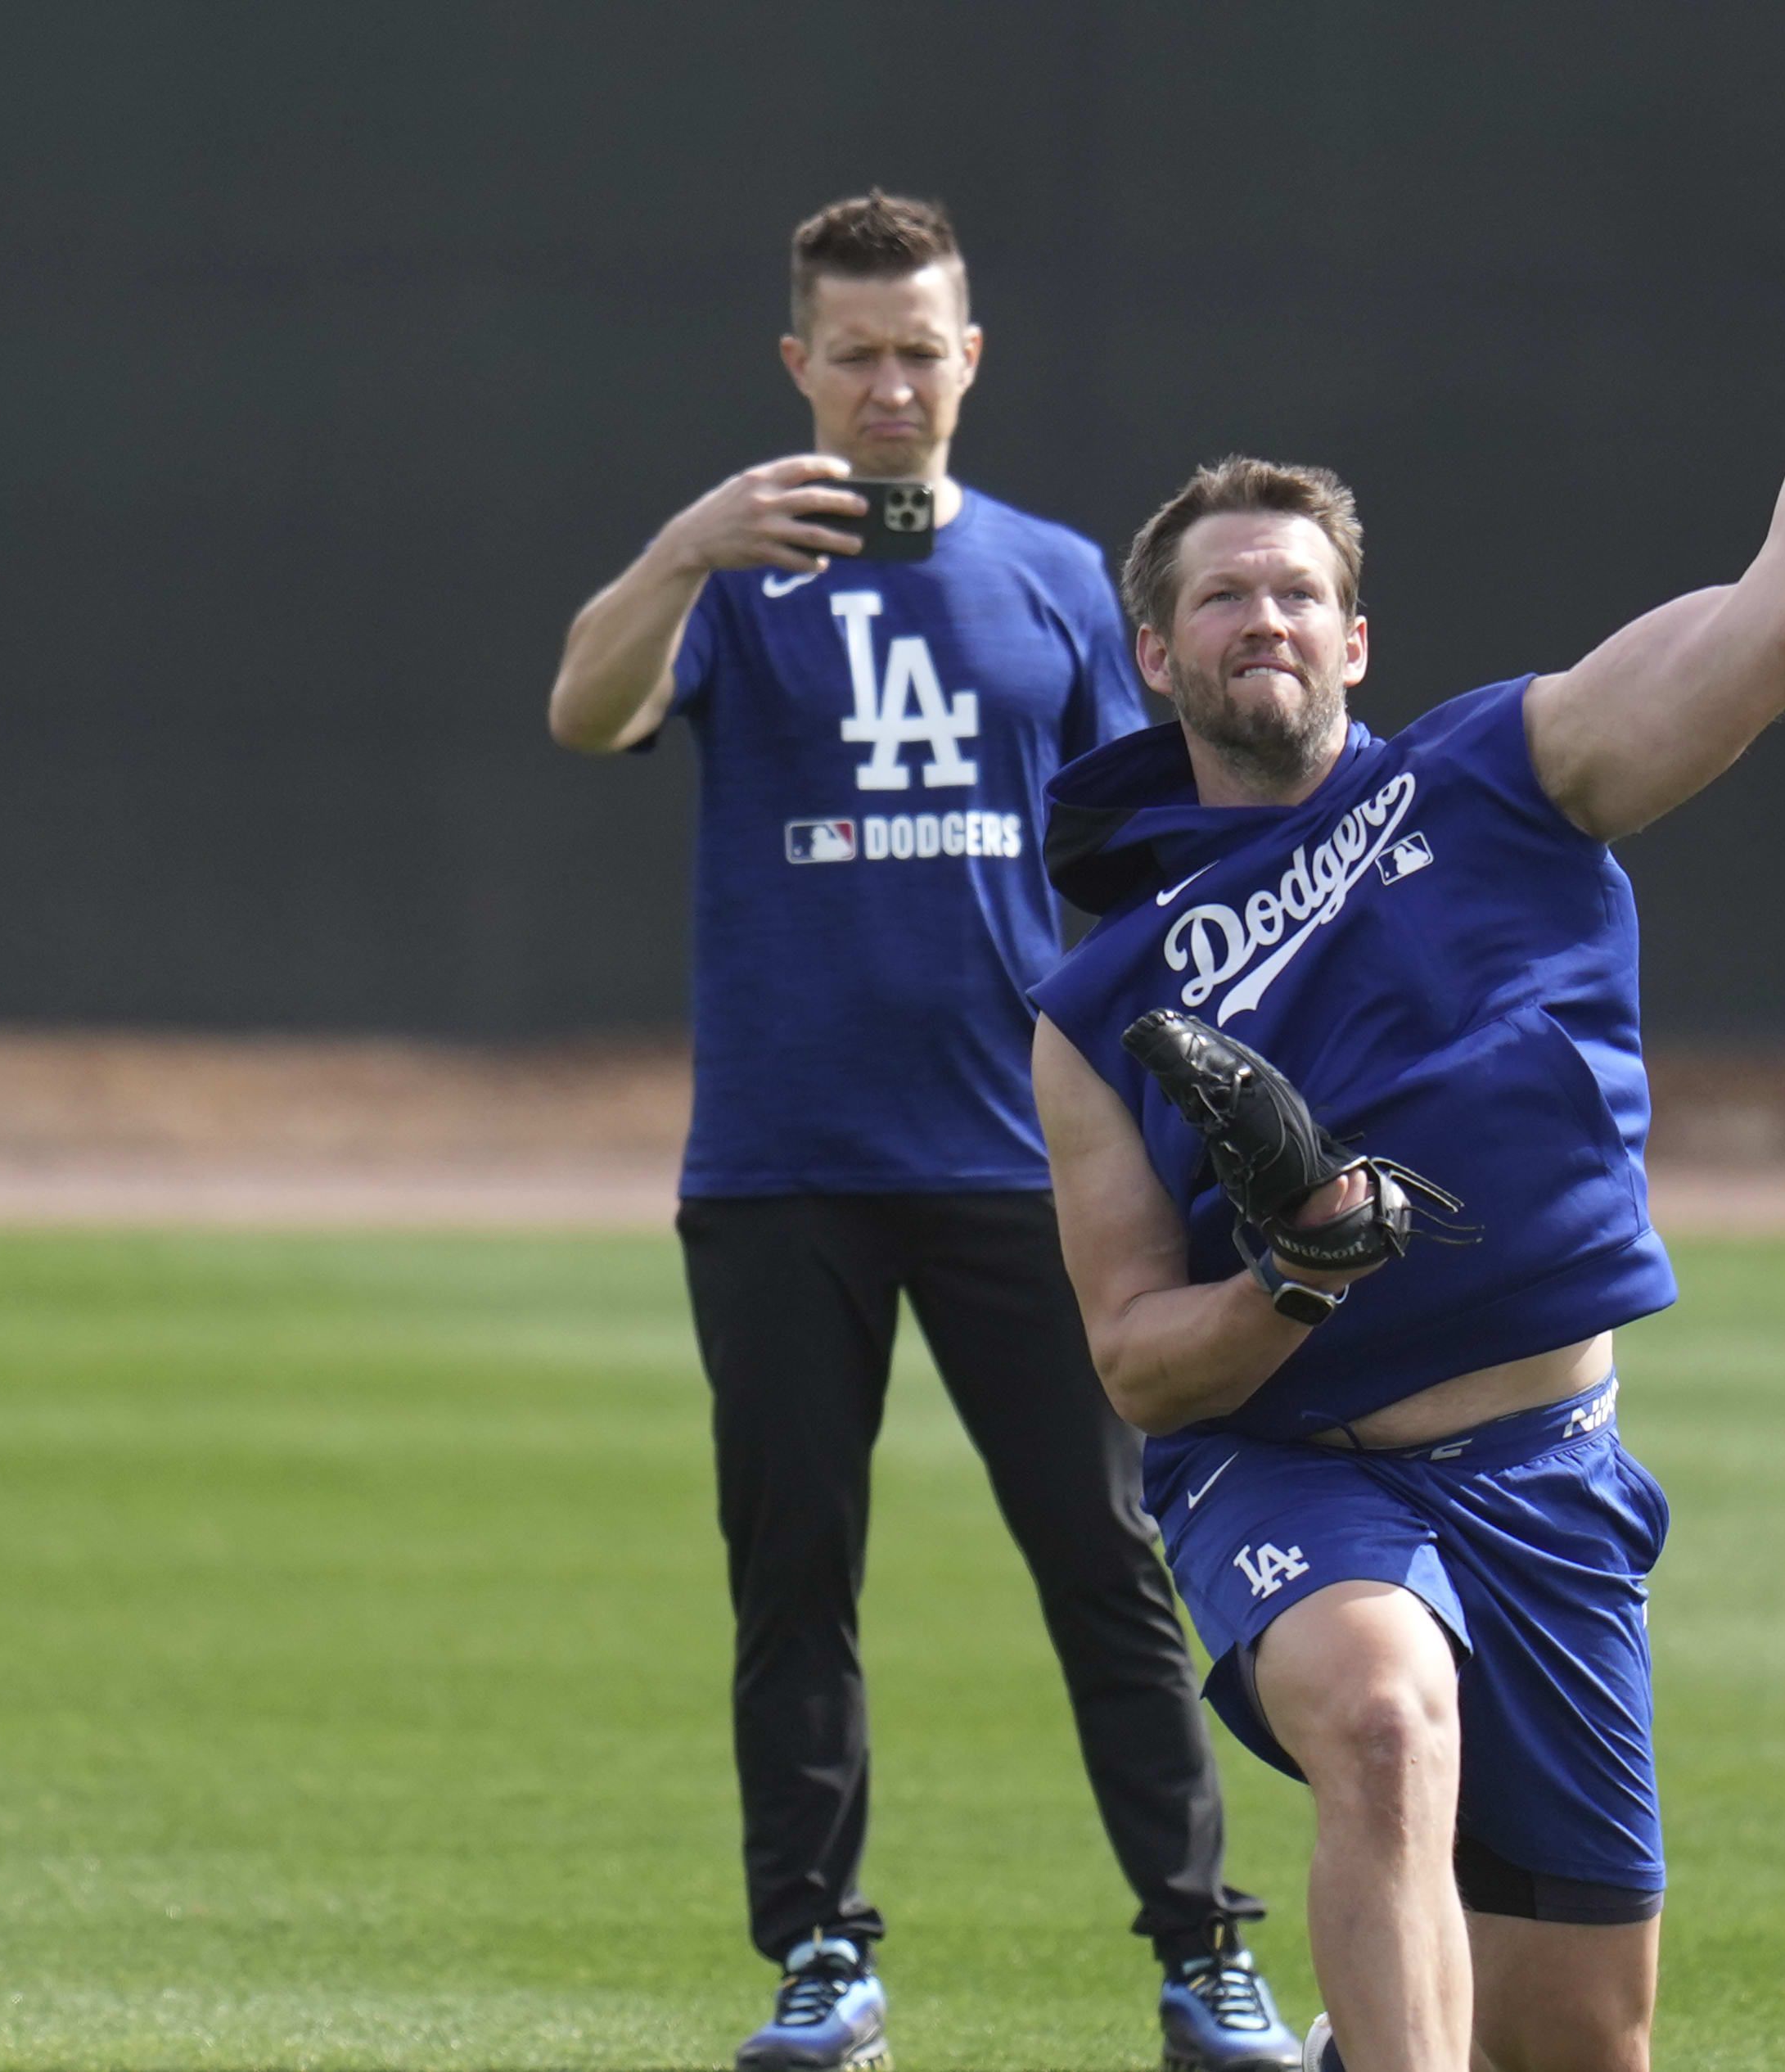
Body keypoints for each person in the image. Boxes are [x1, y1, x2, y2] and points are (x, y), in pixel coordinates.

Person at [1029, 227, 1785, 2072]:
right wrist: (1298, 1274)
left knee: (1578, 2045)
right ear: (1154, 656)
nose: (1262, 619)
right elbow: (1135, 1357)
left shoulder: (1508, 771)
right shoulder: (1097, 1001)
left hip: (1551, 1477)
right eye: (1220, 600)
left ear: (1357, 641)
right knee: (1378, 1717)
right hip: (1295, 1475)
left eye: (1296, 594)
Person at [546, 191, 1299, 2072]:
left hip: (1023, 1160)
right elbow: (583, 713)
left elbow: (1142, 846)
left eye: (920, 347)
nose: (890, 386)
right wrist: (680, 548)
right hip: (785, 1161)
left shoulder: (1048, 575)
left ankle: (1204, 1952)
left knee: (1108, 1565)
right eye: (855, 352)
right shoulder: (732, 576)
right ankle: (820, 1957)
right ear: (800, 367)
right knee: (796, 1571)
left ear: (974, 357)